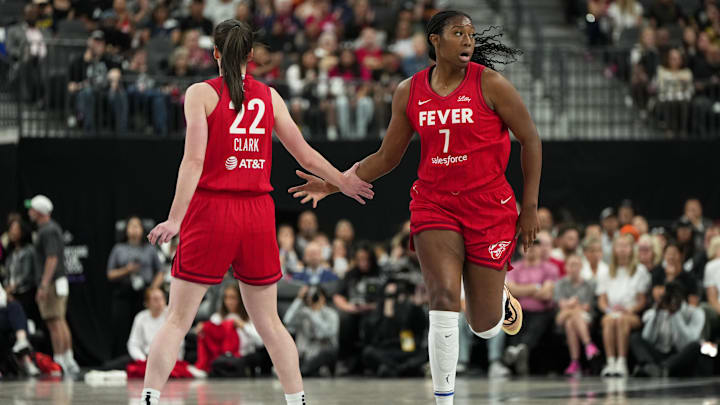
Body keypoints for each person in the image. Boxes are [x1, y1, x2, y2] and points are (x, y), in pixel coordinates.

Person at [290, 10, 541, 404]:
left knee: (484, 325)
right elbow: (386, 157)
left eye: (472, 35)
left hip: (489, 206)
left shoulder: (490, 84)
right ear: (435, 40)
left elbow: (531, 140)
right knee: (441, 297)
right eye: (458, 34)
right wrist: (334, 183)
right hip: (434, 204)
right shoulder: (410, 91)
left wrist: (530, 208)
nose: (468, 41)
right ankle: (444, 401)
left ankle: (498, 297)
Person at [140, 19, 373, 405]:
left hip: (211, 210)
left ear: (215, 52)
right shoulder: (270, 96)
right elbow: (305, 153)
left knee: (178, 320)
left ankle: (148, 399)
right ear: (252, 55)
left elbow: (193, 161)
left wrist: (175, 219)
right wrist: (342, 182)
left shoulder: (200, 93)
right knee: (269, 323)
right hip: (257, 215)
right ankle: (297, 400)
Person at [26, 194, 80, 375]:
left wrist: (43, 285)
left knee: (55, 322)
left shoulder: (47, 230)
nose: (29, 212)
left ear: (40, 212)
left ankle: (60, 360)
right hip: (57, 281)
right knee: (59, 320)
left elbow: (52, 258)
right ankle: (67, 359)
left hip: (52, 282)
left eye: (32, 209)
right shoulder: (48, 229)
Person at [106, 216, 163, 358]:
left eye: (137, 226)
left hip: (144, 293)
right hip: (124, 293)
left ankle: (145, 356)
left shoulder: (149, 249)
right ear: (126, 230)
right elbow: (110, 274)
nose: (134, 229)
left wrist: (153, 289)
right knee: (122, 327)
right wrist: (127, 270)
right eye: (131, 226)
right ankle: (122, 358)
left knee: (144, 324)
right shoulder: (119, 249)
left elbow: (160, 271)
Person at [596, 234, 651, 377]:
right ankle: (611, 362)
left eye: (625, 246)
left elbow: (642, 300)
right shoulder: (606, 272)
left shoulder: (639, 271)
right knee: (609, 321)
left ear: (631, 249)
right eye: (619, 246)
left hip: (631, 313)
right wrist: (609, 310)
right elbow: (602, 300)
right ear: (614, 249)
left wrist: (629, 310)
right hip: (611, 312)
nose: (622, 250)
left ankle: (622, 362)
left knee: (621, 320)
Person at [504, 240, 560, 376]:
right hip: (519, 309)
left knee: (537, 322)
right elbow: (511, 290)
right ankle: (519, 349)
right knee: (513, 318)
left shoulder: (550, 268)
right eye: (527, 246)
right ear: (520, 250)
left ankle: (517, 350)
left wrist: (522, 289)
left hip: (542, 310)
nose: (531, 250)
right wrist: (536, 287)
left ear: (541, 250)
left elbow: (546, 293)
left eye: (535, 247)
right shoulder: (514, 267)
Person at [630, 281, 706, 377]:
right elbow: (647, 338)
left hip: (679, 356)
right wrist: (656, 314)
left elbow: (686, 342)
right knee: (635, 337)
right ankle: (651, 366)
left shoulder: (695, 313)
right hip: (660, 353)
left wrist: (675, 314)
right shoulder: (661, 311)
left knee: (696, 345)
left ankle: (662, 368)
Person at [554, 253, 600, 376]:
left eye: (576, 265)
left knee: (571, 323)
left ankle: (575, 362)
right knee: (573, 315)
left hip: (585, 318)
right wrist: (574, 306)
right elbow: (561, 304)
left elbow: (587, 307)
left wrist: (570, 305)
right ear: (565, 267)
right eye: (570, 265)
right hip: (564, 317)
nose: (573, 268)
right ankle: (588, 344)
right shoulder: (560, 284)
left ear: (581, 266)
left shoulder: (590, 284)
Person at [283, 285, 339, 376]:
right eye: (308, 296)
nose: (311, 298)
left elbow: (325, 333)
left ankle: (302, 371)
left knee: (326, 353)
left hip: (323, 353)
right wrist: (299, 299)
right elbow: (287, 321)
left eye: (314, 295)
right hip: (305, 354)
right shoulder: (303, 312)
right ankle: (301, 370)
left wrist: (313, 314)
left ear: (323, 298)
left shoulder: (331, 314)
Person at [3, 218, 42, 330]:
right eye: (10, 229)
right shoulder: (10, 254)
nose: (12, 232)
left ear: (22, 232)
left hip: (25, 294)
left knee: (25, 322)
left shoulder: (29, 251)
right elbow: (7, 275)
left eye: (15, 229)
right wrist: (6, 291)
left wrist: (12, 288)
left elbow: (26, 275)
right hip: (11, 295)